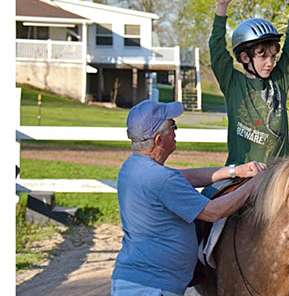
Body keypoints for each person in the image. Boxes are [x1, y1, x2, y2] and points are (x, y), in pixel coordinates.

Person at [110, 100, 266, 296]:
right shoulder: (162, 180)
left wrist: (236, 171)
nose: (176, 131)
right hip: (152, 287)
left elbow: (187, 177)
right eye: (173, 126)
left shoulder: (133, 167)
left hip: (136, 281)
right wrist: (255, 185)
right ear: (159, 140)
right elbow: (213, 212)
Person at [209, 0, 289, 166]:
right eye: (262, 56)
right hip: (240, 175)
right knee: (210, 196)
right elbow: (217, 49)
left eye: (273, 56)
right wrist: (221, 9)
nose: (270, 63)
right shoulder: (233, 84)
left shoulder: (279, 81)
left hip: (275, 177)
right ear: (245, 58)